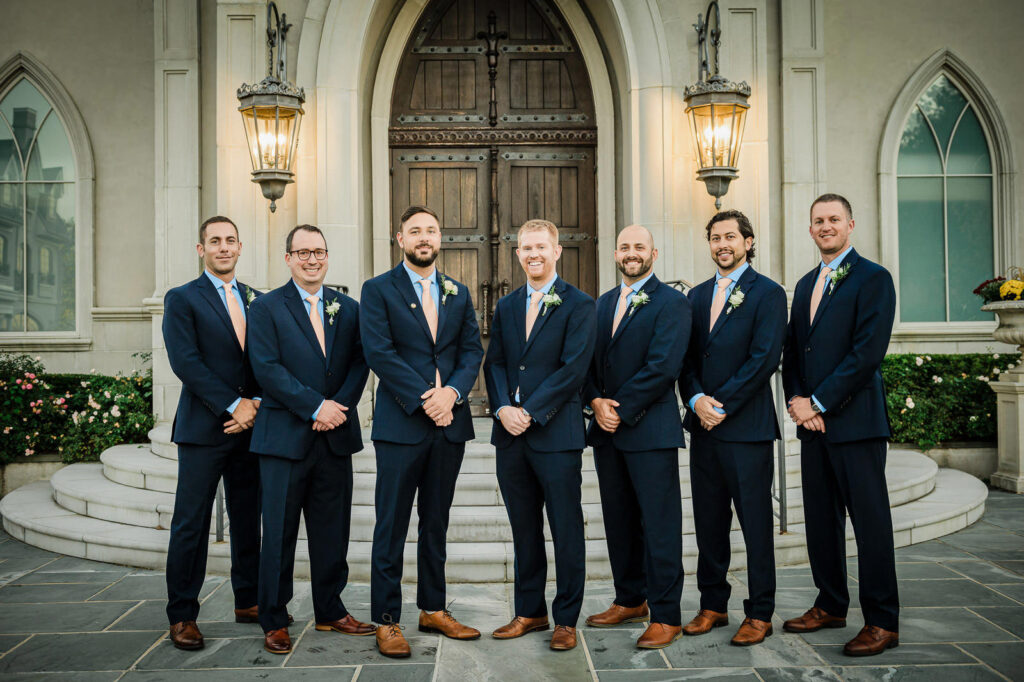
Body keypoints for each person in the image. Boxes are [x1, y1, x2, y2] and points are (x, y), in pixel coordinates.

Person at [360, 205, 485, 658]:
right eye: (415, 231)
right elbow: (379, 353)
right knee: (391, 524)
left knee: (436, 523)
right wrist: (424, 398)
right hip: (401, 425)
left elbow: (471, 351)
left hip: (449, 425)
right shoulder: (378, 290)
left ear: (440, 238)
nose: (424, 237)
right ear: (400, 239)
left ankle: (433, 608)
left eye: (431, 230)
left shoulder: (458, 291)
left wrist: (451, 394)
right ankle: (386, 620)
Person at [781, 193, 900, 657]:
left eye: (834, 219)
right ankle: (830, 603)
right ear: (810, 229)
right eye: (818, 220)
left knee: (871, 525)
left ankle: (882, 621)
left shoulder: (874, 278)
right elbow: (795, 351)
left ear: (851, 225)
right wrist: (797, 402)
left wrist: (819, 402)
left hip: (857, 423)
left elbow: (867, 353)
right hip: (813, 427)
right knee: (820, 521)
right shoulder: (805, 283)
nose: (825, 226)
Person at [247, 224, 374, 655]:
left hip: (334, 437)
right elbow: (266, 368)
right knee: (278, 533)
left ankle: (330, 609)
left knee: (332, 530)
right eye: (302, 252)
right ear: (288, 259)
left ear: (327, 256)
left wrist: (338, 407)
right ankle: (274, 617)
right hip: (283, 439)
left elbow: (360, 362)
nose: (312, 259)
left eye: (318, 251)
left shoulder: (348, 307)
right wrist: (315, 407)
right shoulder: (266, 308)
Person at [483, 218, 596, 652]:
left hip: (556, 435)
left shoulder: (579, 304)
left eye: (541, 247)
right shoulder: (507, 306)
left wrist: (529, 412)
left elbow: (573, 369)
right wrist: (501, 409)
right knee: (523, 528)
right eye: (526, 248)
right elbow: (495, 362)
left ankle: (566, 619)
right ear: (518, 254)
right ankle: (529, 611)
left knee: (566, 529)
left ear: (556, 251)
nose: (533, 254)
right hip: (510, 437)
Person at [679, 210, 787, 646]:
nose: (722, 244)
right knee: (709, 524)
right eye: (715, 238)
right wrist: (696, 400)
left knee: (756, 526)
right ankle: (713, 605)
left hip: (747, 430)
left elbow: (764, 358)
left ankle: (760, 612)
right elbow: (686, 359)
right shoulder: (696, 296)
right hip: (704, 429)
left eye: (730, 237)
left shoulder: (769, 293)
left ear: (748, 241)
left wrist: (720, 405)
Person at [583, 224, 691, 649]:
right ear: (615, 254)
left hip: (650, 430)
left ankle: (666, 614)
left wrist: (619, 409)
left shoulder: (672, 303)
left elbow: (664, 366)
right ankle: (630, 599)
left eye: (639, 247)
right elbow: (586, 362)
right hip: (607, 433)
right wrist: (595, 401)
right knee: (619, 520)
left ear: (654, 254)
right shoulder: (602, 304)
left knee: (660, 525)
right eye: (624, 247)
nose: (632, 253)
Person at [162, 215, 263, 650]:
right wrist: (232, 404)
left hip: (250, 430)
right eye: (215, 241)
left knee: (248, 519)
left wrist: (254, 404)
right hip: (203, 429)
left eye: (230, 240)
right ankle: (182, 614)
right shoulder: (183, 298)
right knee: (191, 523)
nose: (224, 247)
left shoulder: (258, 299)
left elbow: (268, 360)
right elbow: (186, 362)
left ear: (240, 247)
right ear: (201, 249)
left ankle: (249, 600)